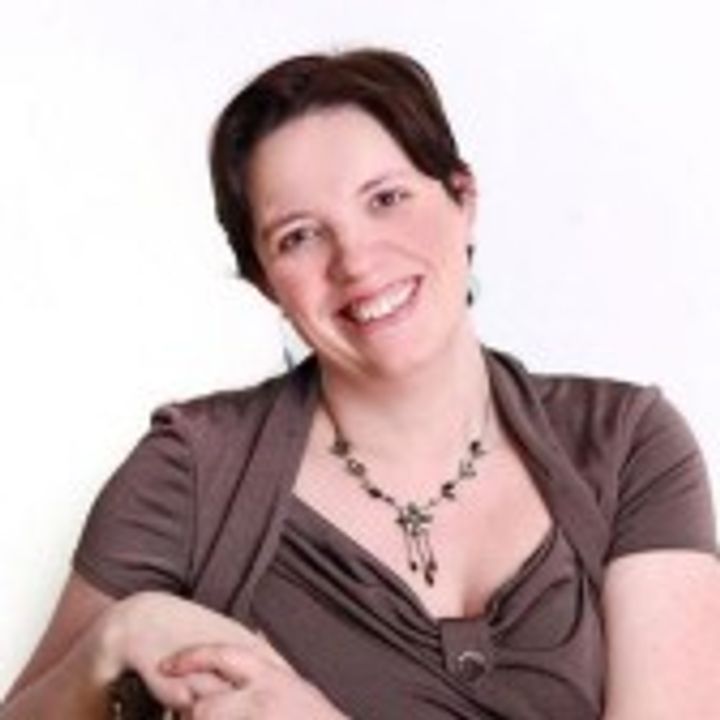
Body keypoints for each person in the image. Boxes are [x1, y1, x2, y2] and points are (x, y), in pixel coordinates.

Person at [2, 47, 719, 720]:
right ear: (264, 281)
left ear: (462, 197)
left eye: (386, 199)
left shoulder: (628, 444)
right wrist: (112, 642)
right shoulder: (193, 471)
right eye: (298, 236)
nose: (356, 260)